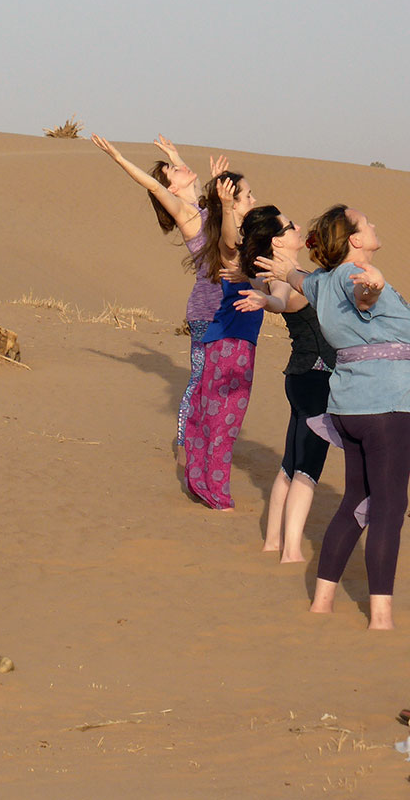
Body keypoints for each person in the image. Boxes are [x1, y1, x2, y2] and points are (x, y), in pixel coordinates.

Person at [259, 205, 410, 629]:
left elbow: (299, 279)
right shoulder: (350, 276)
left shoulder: (321, 281)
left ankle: (322, 602)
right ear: (355, 240)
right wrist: (373, 289)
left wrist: (287, 268)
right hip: (386, 405)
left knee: (356, 503)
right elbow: (364, 294)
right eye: (368, 221)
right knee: (389, 508)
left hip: (349, 406)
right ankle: (380, 618)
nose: (376, 223)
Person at [91, 135, 228, 455]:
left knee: (220, 381)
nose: (183, 168)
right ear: (173, 189)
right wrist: (120, 159)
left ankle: (211, 438)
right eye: (175, 170)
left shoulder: (206, 206)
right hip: (206, 310)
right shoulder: (186, 213)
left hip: (227, 308)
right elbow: (154, 187)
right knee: (200, 380)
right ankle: (185, 440)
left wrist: (174, 154)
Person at [234, 211, 335, 561]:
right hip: (315, 378)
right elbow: (278, 298)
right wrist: (268, 302)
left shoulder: (285, 274)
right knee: (307, 465)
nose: (297, 227)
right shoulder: (283, 280)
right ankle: (291, 550)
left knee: (290, 463)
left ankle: (272, 541)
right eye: (290, 226)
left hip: (302, 377)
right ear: (277, 241)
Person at [183, 179, 278, 511]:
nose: (254, 198)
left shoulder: (251, 245)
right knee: (223, 422)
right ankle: (216, 493)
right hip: (230, 345)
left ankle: (199, 480)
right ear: (233, 204)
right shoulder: (234, 245)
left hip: (228, 343)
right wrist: (224, 204)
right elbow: (226, 243)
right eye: (248, 195)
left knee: (210, 417)